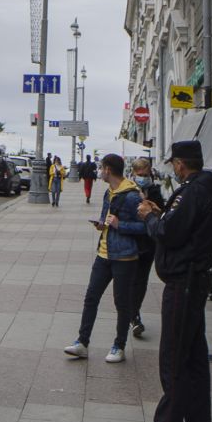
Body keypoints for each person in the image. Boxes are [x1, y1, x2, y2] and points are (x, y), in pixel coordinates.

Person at [125, 140, 212, 422]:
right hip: (195, 280)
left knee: (173, 361)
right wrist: (162, 213)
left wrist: (148, 217)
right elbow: (188, 226)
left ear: (181, 164)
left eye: (174, 164)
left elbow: (169, 234)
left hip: (183, 283)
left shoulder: (191, 191)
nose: (173, 168)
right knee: (194, 362)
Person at [64, 153, 147, 364]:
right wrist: (102, 224)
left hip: (124, 257)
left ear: (108, 169)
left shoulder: (132, 195)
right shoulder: (109, 192)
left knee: (122, 303)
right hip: (103, 254)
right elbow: (107, 219)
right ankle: (82, 343)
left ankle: (119, 346)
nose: (100, 171)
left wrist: (120, 225)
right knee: (91, 297)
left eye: (102, 168)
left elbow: (145, 227)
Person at [127, 157, 166, 339]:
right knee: (130, 280)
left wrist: (152, 206)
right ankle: (132, 315)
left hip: (149, 243)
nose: (143, 177)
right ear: (134, 174)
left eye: (145, 174)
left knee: (141, 281)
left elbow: (161, 214)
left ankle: (134, 314)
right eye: (139, 174)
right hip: (131, 242)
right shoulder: (127, 190)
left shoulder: (155, 190)